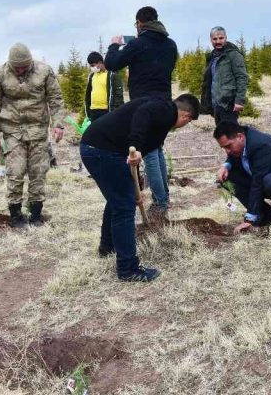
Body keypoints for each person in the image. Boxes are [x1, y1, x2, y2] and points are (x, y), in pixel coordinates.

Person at [79, 94, 200, 282]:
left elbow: (135, 157)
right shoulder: (165, 111)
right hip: (102, 150)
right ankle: (128, 268)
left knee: (118, 200)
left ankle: (107, 247)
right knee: (124, 207)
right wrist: (135, 146)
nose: (186, 124)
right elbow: (142, 114)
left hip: (98, 148)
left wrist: (134, 190)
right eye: (189, 121)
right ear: (186, 115)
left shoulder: (161, 111)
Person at [104, 6, 179, 221]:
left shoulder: (138, 44)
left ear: (139, 23)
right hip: (165, 102)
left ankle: (160, 202)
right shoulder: (170, 44)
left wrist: (114, 45)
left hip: (144, 105)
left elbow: (112, 63)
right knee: (158, 148)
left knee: (149, 152)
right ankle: (164, 197)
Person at [0, 43, 67, 227]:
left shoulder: (44, 71)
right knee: (15, 171)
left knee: (38, 172)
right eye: (18, 67)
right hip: (12, 131)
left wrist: (58, 125)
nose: (21, 70)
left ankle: (36, 213)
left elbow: (55, 99)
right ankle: (15, 214)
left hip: (38, 130)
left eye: (25, 66)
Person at [213, 122, 271, 233]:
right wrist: (226, 166)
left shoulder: (260, 145)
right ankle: (269, 216)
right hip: (264, 178)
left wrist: (249, 219)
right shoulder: (243, 139)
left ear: (240, 137)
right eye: (223, 147)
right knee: (226, 178)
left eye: (228, 146)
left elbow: (257, 181)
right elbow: (233, 155)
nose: (227, 151)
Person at [201, 27, 248, 125]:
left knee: (231, 136)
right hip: (216, 104)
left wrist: (239, 101)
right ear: (211, 39)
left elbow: (241, 77)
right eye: (215, 39)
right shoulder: (211, 57)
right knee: (221, 135)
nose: (218, 41)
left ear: (226, 38)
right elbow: (208, 81)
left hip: (228, 103)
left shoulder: (233, 55)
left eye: (221, 38)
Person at [84, 51, 125, 122]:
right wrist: (88, 113)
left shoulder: (112, 75)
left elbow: (118, 95)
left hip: (106, 111)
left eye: (93, 65)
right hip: (93, 111)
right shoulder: (92, 76)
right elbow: (88, 95)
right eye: (90, 66)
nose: (91, 68)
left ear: (100, 63)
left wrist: (115, 112)